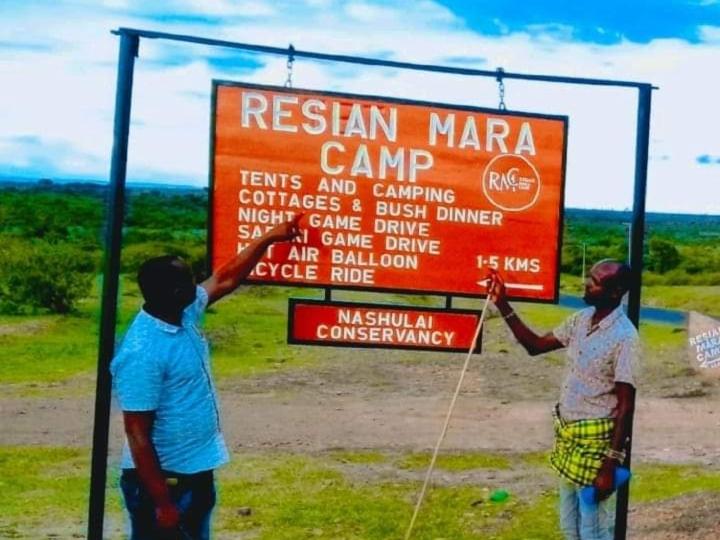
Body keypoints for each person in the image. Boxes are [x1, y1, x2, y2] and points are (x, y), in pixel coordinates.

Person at [110, 215, 302, 540]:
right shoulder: (143, 351)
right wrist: (162, 503)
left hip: (193, 474)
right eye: (190, 280)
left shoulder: (181, 313)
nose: (198, 284)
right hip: (166, 483)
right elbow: (137, 432)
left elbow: (225, 278)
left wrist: (270, 237)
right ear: (175, 291)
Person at [486, 260, 639, 540]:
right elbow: (535, 346)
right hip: (568, 439)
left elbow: (626, 406)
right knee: (570, 526)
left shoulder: (625, 337)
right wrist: (503, 304)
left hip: (595, 447)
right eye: (589, 278)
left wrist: (610, 464)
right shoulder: (580, 320)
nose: (586, 284)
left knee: (593, 531)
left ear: (616, 291)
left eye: (595, 282)